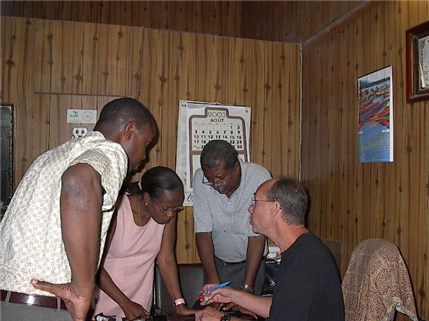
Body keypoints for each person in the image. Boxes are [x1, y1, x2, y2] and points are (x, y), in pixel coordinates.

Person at [0, 97, 157, 321]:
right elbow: (79, 181)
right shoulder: (111, 152)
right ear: (129, 131)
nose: (145, 156)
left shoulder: (53, 157)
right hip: (41, 307)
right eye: (147, 144)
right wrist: (82, 290)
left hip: (9, 301)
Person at [196, 177, 345, 321]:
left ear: (275, 208)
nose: (250, 208)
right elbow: (283, 307)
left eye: (255, 202)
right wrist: (233, 295)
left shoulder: (304, 262)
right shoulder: (303, 250)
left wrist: (222, 319)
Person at [91, 166, 195, 320]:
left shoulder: (167, 215)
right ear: (147, 198)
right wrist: (125, 303)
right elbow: (95, 265)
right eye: (166, 209)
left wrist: (179, 303)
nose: (171, 215)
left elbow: (166, 259)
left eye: (176, 209)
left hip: (139, 304)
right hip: (105, 302)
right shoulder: (118, 210)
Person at [193, 140, 271, 305]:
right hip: (217, 264)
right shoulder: (201, 177)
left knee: (246, 314)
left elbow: (256, 236)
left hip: (251, 266)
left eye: (220, 178)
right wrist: (214, 282)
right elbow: (203, 232)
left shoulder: (259, 177)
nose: (215, 184)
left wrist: (247, 287)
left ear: (236, 168)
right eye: (210, 179)